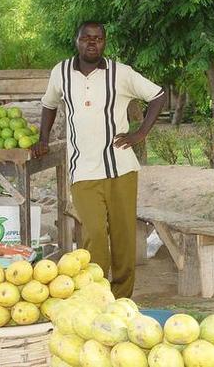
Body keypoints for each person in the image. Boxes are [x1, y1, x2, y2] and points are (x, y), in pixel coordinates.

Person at [32, 21, 166, 298]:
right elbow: (49, 104)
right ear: (76, 40)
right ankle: (97, 295)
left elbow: (158, 95)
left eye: (98, 38)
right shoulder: (61, 72)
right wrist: (43, 139)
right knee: (92, 234)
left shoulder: (121, 73)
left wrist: (140, 133)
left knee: (123, 236)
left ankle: (121, 298)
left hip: (121, 168)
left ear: (104, 42)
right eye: (86, 38)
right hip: (82, 169)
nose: (92, 43)